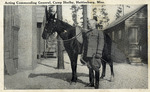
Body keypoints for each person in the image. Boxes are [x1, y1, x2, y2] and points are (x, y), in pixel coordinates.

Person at [80, 19, 104, 89]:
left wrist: (99, 52)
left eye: (89, 24)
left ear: (94, 24)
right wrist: (83, 54)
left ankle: (97, 84)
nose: (88, 25)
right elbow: (85, 45)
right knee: (90, 68)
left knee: (96, 68)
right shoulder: (87, 33)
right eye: (88, 24)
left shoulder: (99, 33)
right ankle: (91, 83)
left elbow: (101, 43)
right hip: (88, 54)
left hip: (95, 54)